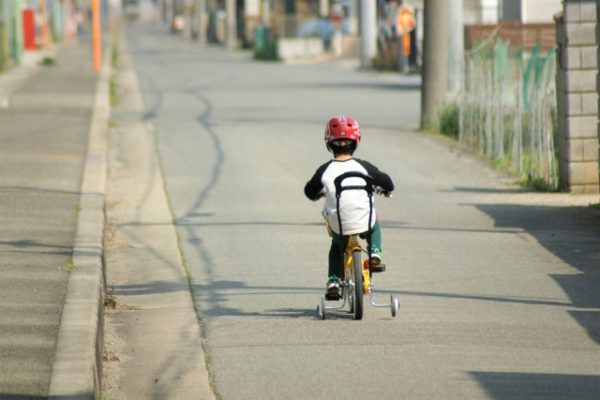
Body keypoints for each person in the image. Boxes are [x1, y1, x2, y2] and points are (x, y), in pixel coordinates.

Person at [304, 116, 395, 300]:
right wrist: (384, 188)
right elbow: (387, 182)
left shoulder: (325, 169)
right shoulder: (364, 167)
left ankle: (333, 281)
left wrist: (318, 194)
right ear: (357, 141)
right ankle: (375, 253)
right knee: (374, 223)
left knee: (336, 245)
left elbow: (309, 190)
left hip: (340, 225)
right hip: (363, 221)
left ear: (329, 143)